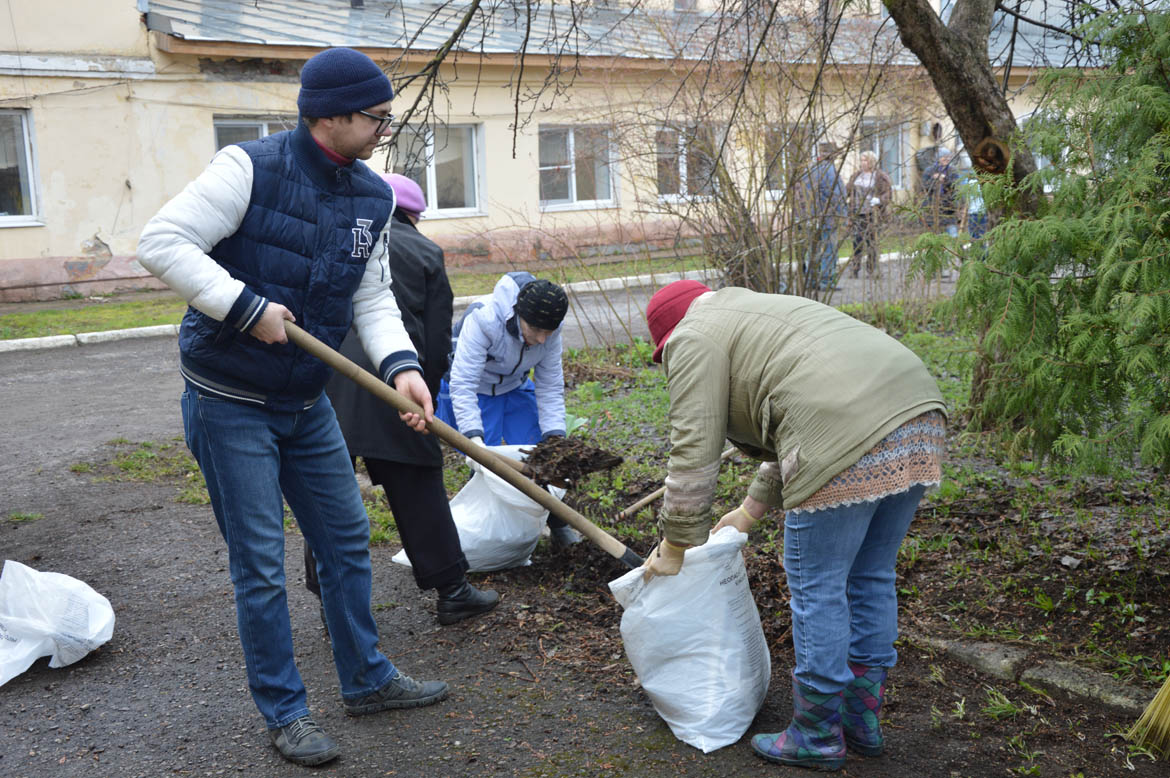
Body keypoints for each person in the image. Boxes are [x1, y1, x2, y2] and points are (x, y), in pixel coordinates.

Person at [136, 47, 449, 767]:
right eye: (375, 117)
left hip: (305, 401)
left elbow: (370, 296)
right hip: (229, 399)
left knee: (344, 543)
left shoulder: (372, 195)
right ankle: (285, 711)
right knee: (262, 567)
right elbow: (161, 242)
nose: (382, 129)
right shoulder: (249, 168)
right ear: (331, 115)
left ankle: (367, 679)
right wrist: (245, 308)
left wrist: (401, 367)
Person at [641, 280, 947, 771]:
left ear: (667, 338)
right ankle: (859, 718)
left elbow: (694, 446)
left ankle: (817, 733)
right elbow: (800, 405)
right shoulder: (753, 310)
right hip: (917, 408)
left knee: (819, 586)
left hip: (845, 425)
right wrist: (750, 509)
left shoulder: (693, 336)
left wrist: (677, 542)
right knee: (871, 577)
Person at [306, 173, 499, 627]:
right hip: (394, 381)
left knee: (325, 489)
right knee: (418, 480)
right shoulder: (425, 251)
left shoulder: (338, 238)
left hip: (329, 384)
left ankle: (330, 598)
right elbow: (435, 339)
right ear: (413, 216)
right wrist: (422, 393)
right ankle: (452, 590)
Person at [435, 272, 581, 547]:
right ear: (517, 315)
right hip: (476, 390)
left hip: (514, 387)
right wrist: (473, 438)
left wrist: (554, 437)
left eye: (547, 333)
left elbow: (549, 386)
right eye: (535, 330)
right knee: (483, 463)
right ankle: (472, 534)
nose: (540, 339)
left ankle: (559, 524)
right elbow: (463, 383)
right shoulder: (483, 319)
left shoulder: (551, 332)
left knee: (542, 454)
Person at [796, 141, 847, 291]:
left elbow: (801, 194)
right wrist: (843, 215)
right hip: (827, 217)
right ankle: (826, 282)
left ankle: (811, 280)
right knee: (829, 250)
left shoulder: (811, 170)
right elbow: (837, 196)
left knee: (814, 249)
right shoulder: (830, 171)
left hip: (810, 218)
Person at [845, 150, 892, 279]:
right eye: (861, 160)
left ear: (871, 161)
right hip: (857, 213)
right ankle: (855, 269)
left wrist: (879, 200)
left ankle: (872, 270)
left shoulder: (880, 176)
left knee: (871, 243)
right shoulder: (856, 176)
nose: (862, 163)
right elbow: (847, 191)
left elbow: (888, 193)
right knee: (856, 242)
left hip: (872, 215)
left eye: (865, 160)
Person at [921, 147, 961, 238]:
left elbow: (956, 185)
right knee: (935, 236)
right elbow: (924, 186)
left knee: (953, 235)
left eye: (948, 157)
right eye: (944, 157)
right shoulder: (929, 171)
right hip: (933, 207)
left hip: (949, 207)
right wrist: (934, 179)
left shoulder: (953, 171)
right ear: (938, 158)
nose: (946, 159)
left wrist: (945, 179)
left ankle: (954, 251)